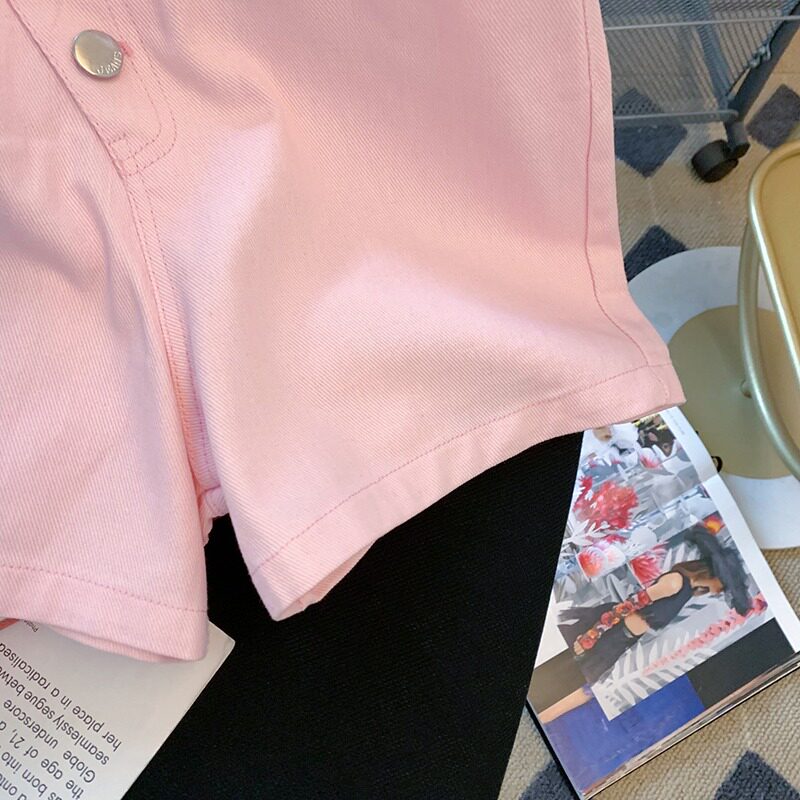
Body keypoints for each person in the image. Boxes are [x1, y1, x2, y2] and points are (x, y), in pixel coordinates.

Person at [538, 524, 752, 724]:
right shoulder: (676, 583)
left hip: (622, 640)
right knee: (573, 671)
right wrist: (590, 637)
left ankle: (543, 709)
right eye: (723, 585)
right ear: (713, 575)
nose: (720, 591)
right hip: (611, 631)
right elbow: (629, 606)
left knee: (581, 679)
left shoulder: (688, 591)